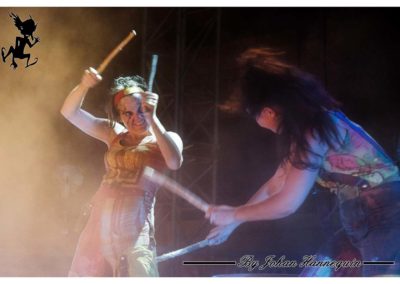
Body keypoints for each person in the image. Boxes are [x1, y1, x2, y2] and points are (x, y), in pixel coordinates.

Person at [206, 48, 400, 276]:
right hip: (362, 217)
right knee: (312, 275)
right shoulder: (311, 128)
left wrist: (235, 214)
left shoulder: (314, 130)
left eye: (255, 115)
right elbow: (275, 184)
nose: (258, 122)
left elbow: (287, 203)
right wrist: (232, 223)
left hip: (386, 215)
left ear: (268, 111)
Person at [60, 67, 183, 276]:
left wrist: (153, 119)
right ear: (120, 115)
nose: (136, 118)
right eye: (128, 113)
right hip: (97, 225)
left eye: (141, 110)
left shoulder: (164, 139)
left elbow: (174, 161)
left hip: (134, 230)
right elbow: (69, 112)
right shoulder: (114, 133)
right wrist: (84, 86)